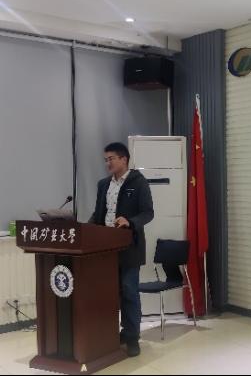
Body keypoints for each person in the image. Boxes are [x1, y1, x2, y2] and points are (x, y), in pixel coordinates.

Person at [89, 142, 154, 357]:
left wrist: (130, 221)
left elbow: (148, 213)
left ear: (124, 159)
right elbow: (99, 213)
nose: (107, 163)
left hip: (129, 248)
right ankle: (112, 333)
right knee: (109, 293)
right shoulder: (103, 185)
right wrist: (85, 228)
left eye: (111, 159)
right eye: (105, 160)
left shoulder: (138, 182)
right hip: (105, 249)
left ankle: (132, 336)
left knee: (129, 291)